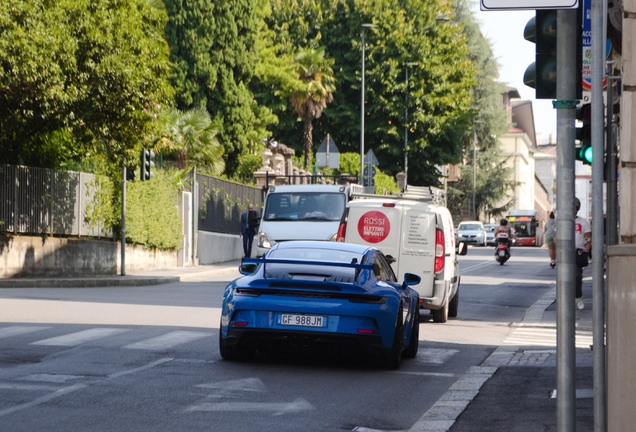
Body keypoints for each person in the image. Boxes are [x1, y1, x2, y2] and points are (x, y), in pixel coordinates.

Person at [574, 197, 592, 310]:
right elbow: (556, 238)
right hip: (564, 252)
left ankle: (578, 297)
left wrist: (586, 250)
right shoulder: (561, 221)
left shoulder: (583, 221)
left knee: (576, 276)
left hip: (577, 252)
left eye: (574, 207)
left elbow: (588, 238)